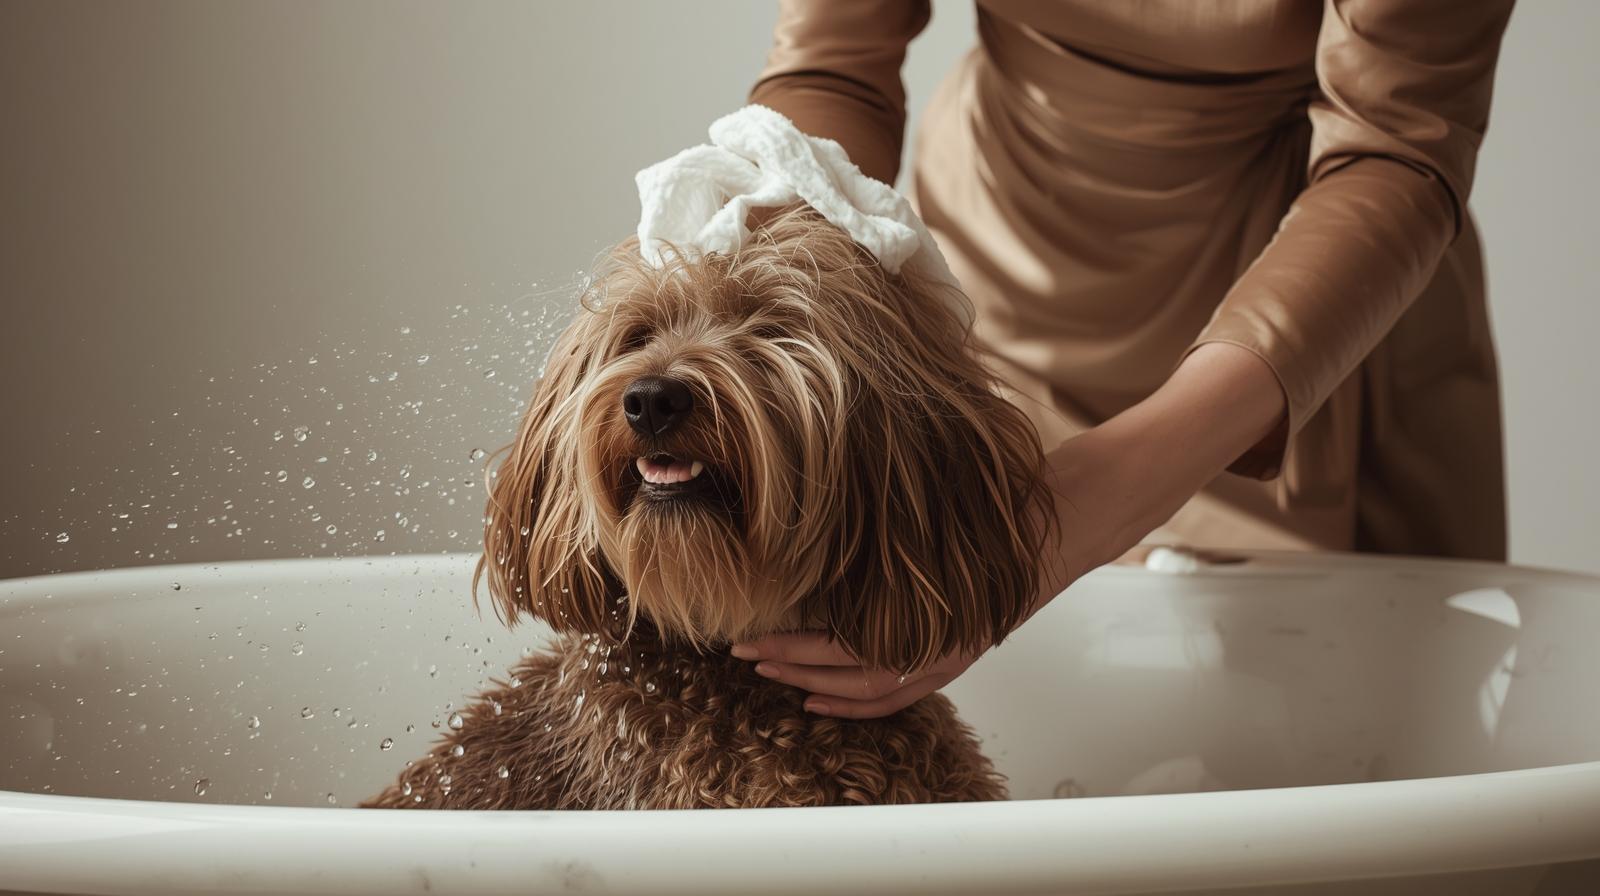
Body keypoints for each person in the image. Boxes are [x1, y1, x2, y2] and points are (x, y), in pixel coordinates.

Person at [727, 0, 1517, 718]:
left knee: (1338, 756)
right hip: (997, 284)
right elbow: (835, 67)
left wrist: (1050, 529)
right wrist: (756, 295)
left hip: (1311, 332)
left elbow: (1397, 147)